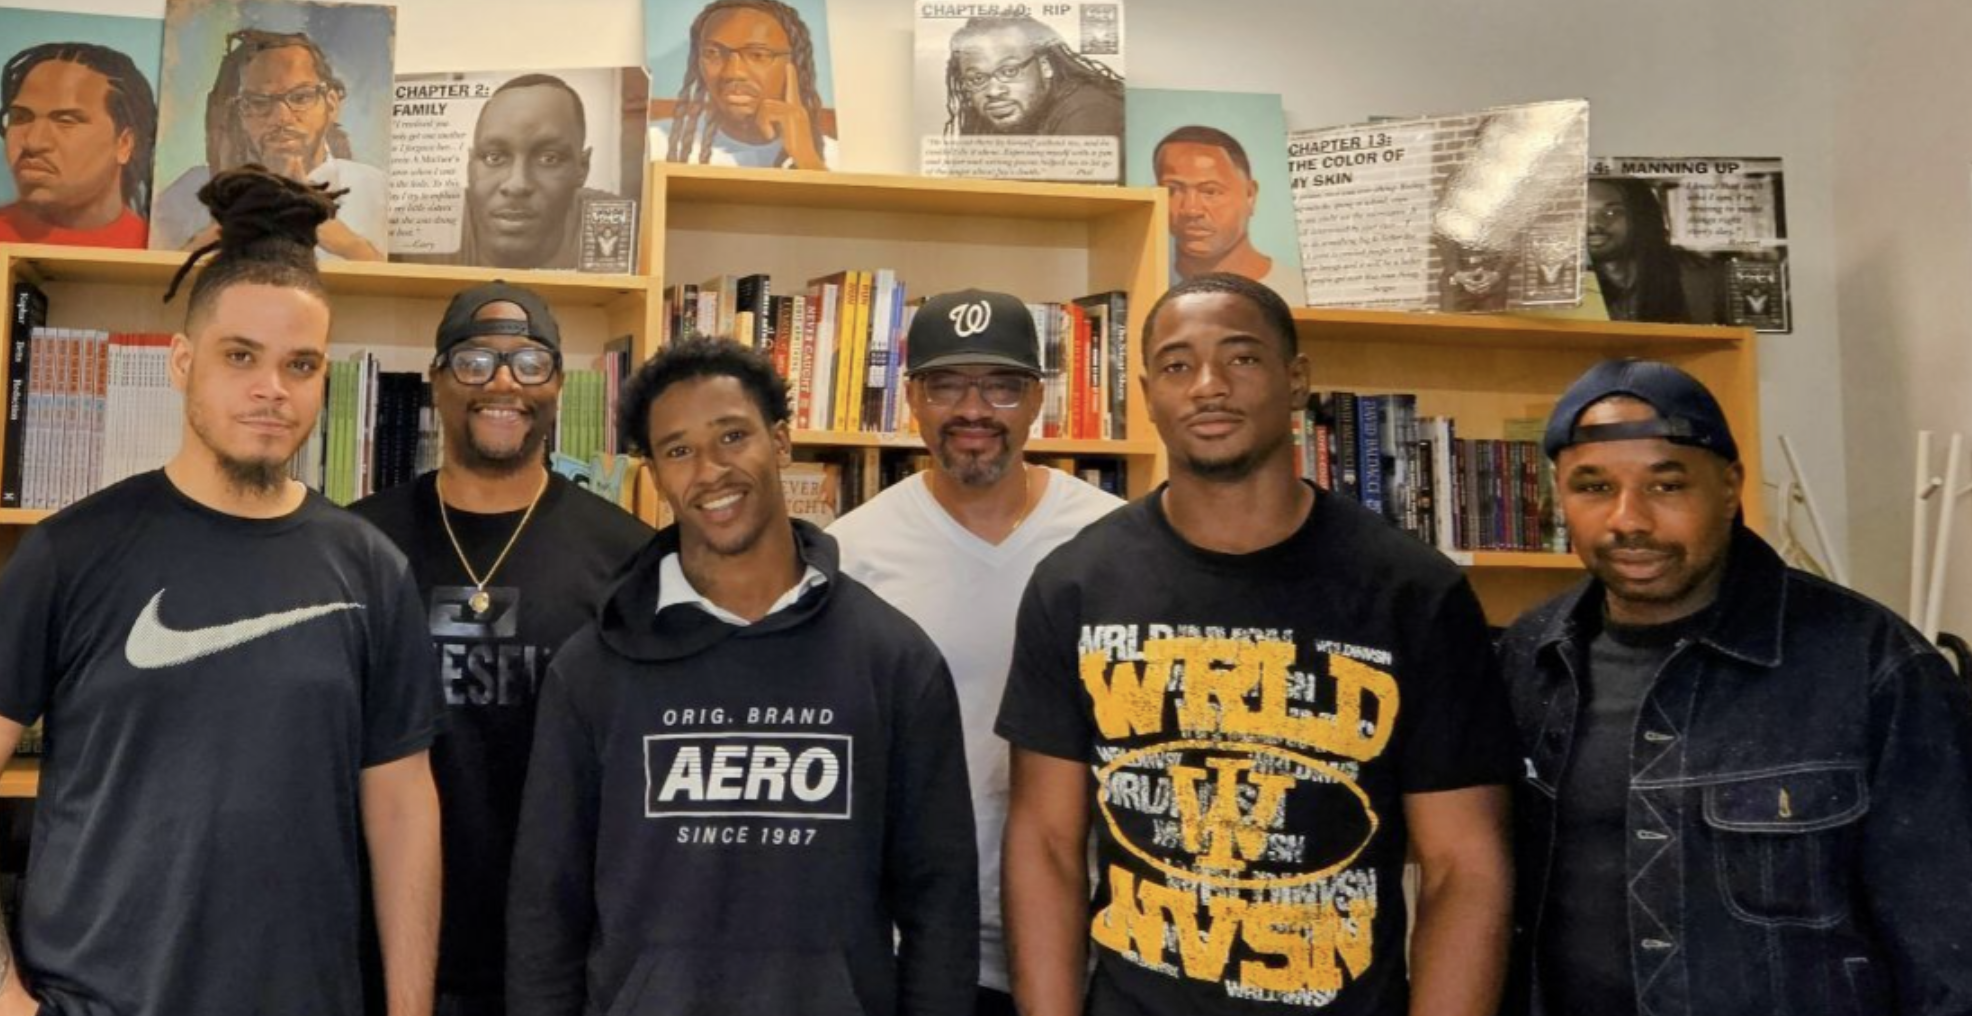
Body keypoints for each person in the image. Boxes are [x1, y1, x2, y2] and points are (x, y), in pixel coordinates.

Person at [998, 272, 1516, 1016]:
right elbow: (1045, 841)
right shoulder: (1077, 585)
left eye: (1241, 358)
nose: (1208, 386)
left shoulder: (1412, 592)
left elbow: (1463, 866)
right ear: (1148, 393)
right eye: (1178, 365)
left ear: (1296, 378)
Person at [0, 166, 440, 1016]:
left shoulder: (370, 568)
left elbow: (401, 811)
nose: (272, 388)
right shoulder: (70, 553)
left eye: (300, 364)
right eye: (241, 356)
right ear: (182, 361)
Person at [506, 337, 977, 1016]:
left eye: (733, 436)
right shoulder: (593, 670)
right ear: (654, 475)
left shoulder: (893, 659)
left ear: (781, 442)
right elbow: (544, 906)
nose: (710, 470)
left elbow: (941, 900)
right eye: (678, 450)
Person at [1496, 358, 1972, 1016]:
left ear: (1729, 488)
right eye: (1594, 486)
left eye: (1666, 487)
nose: (1628, 519)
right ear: (1558, 496)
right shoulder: (1527, 658)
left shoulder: (1873, 667)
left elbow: (1950, 947)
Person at [349, 281, 652, 1016]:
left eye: (530, 363)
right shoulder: (355, 544)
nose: (504, 383)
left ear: (558, 386)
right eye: (476, 361)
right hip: (374, 955)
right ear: (436, 384)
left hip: (560, 963)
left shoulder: (628, 558)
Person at [829, 289, 1122, 1015]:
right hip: (906, 945)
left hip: (1088, 939)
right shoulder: (852, 551)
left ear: (1037, 399)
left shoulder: (1113, 544)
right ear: (911, 399)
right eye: (947, 384)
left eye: (1001, 385)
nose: (974, 409)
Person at [151, 29, 385, 261]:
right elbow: (156, 284)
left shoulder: (377, 191)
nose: (280, 117)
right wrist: (216, 234)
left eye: (301, 97)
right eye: (259, 102)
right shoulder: (187, 194)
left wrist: (350, 246)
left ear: (331, 105)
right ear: (242, 115)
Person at [408, 75, 623, 271]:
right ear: (470, 165)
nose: (517, 184)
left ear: (582, 168)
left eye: (549, 158)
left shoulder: (617, 223)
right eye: (494, 157)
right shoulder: (421, 226)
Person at [0, 41, 155, 247]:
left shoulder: (157, 249)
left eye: (65, 121)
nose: (33, 142)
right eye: (21, 118)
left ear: (124, 143)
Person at [658, 0, 834, 169]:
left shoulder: (834, 157)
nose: (733, 73)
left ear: (796, 64)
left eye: (758, 55)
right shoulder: (656, 144)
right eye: (712, 53)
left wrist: (807, 159)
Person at [1153, 126, 1302, 301]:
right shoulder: (1146, 288)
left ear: (1250, 195)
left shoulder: (1296, 293)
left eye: (1210, 191)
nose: (1191, 210)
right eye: (1173, 190)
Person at [942, 15, 1123, 138]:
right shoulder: (984, 121)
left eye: (1009, 71)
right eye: (977, 79)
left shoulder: (1089, 110)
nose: (994, 91)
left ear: (1045, 66)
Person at [1586, 178, 1725, 325]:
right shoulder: (1565, 282)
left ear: (1641, 216)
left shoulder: (1700, 277)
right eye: (1581, 213)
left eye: (1611, 213)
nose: (1593, 224)